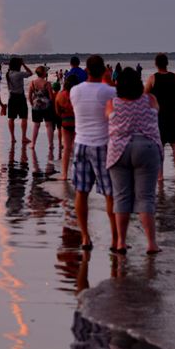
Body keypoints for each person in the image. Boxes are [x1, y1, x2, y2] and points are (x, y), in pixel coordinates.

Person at [105, 67, 162, 255]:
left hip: (118, 150)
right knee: (145, 197)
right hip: (146, 148)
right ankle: (151, 244)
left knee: (121, 197)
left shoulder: (112, 103)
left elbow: (107, 119)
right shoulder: (150, 100)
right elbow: (156, 112)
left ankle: (121, 242)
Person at [69, 54, 117, 250]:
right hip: (102, 144)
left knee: (81, 192)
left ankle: (85, 237)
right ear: (104, 70)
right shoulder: (109, 91)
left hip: (80, 142)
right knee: (109, 193)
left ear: (86, 70)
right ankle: (115, 238)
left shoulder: (75, 91)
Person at [144, 54, 175, 182]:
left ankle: (160, 175)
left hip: (159, 115)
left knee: (159, 146)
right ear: (167, 63)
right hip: (174, 114)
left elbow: (144, 95)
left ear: (156, 64)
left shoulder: (153, 78)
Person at [55, 74, 79, 180]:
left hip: (65, 123)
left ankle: (64, 174)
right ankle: (77, 172)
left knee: (67, 149)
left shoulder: (61, 95)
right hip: (77, 122)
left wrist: (64, 115)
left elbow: (57, 111)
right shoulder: (79, 94)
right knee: (77, 148)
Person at [6, 56, 33, 146]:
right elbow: (30, 73)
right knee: (24, 117)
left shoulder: (8, 73)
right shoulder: (19, 74)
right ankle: (23, 137)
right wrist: (24, 64)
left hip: (12, 97)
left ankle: (12, 138)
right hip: (20, 97)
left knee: (11, 118)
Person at [28, 66, 55, 154]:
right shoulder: (47, 83)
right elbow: (51, 97)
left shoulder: (32, 83)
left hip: (36, 106)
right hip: (46, 106)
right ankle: (50, 144)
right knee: (48, 125)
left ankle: (33, 144)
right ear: (43, 73)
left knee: (36, 125)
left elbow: (29, 96)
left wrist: (32, 104)